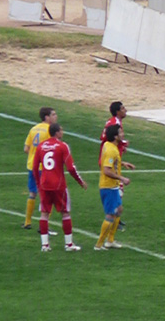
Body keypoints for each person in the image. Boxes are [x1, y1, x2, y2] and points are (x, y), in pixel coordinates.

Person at [32, 123, 87, 252]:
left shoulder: (41, 146)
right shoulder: (63, 146)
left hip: (44, 184)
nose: (62, 132)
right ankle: (69, 244)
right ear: (57, 132)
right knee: (65, 213)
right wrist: (80, 181)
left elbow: (35, 168)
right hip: (59, 185)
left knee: (44, 213)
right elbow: (71, 168)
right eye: (61, 130)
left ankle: (45, 245)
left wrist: (38, 184)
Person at [96, 124, 134, 251]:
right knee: (110, 215)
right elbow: (106, 170)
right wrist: (122, 178)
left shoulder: (108, 145)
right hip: (108, 186)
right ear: (115, 136)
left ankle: (110, 241)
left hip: (112, 186)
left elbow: (109, 162)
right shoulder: (111, 150)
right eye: (120, 132)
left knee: (119, 210)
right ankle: (99, 245)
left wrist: (122, 163)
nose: (123, 134)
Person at [23, 107, 58, 232]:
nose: (56, 117)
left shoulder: (34, 129)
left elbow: (26, 149)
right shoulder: (50, 130)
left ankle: (27, 222)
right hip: (44, 168)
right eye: (53, 114)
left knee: (32, 193)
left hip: (32, 166)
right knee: (48, 196)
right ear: (47, 117)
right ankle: (44, 225)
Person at [99, 101, 129, 231]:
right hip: (110, 162)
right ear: (117, 111)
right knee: (117, 190)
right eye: (123, 108)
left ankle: (115, 219)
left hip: (113, 160)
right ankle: (113, 220)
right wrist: (121, 143)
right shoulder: (114, 123)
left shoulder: (113, 121)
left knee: (118, 190)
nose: (125, 110)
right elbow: (105, 137)